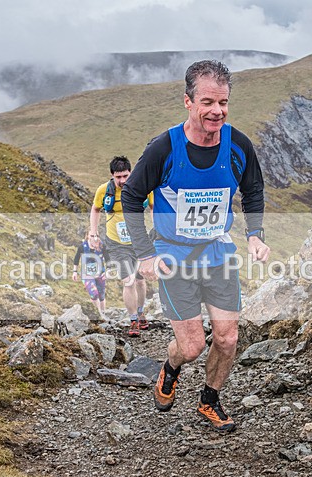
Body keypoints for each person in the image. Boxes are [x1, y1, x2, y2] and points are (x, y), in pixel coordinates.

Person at [122, 60, 270, 432]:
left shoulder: (237, 145)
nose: (216, 111)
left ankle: (209, 400)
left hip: (218, 254)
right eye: (207, 102)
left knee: (227, 337)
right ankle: (170, 368)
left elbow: (252, 189)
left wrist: (255, 233)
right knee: (191, 347)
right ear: (188, 102)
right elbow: (133, 196)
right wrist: (145, 254)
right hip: (174, 258)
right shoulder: (164, 148)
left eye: (223, 103)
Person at [89, 155, 154, 337]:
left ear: (131, 173)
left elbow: (153, 207)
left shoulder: (142, 187)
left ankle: (141, 313)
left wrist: (157, 229)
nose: (122, 180)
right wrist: (93, 232)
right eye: (118, 177)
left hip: (139, 241)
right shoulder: (104, 190)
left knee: (141, 281)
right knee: (129, 280)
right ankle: (133, 319)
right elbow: (95, 209)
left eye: (125, 176)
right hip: (117, 243)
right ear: (112, 175)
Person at [72, 231, 109, 317]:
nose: (94, 238)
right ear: (88, 236)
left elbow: (108, 259)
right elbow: (76, 259)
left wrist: (108, 271)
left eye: (96, 235)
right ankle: (98, 314)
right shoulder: (82, 246)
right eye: (92, 235)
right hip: (87, 274)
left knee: (101, 295)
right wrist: (74, 272)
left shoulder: (102, 246)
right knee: (94, 293)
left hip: (100, 273)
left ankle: (103, 314)